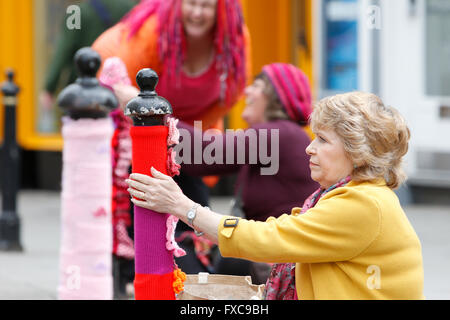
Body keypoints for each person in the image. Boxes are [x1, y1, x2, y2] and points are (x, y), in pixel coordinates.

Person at [126, 91, 425, 300]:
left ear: (357, 151)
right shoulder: (352, 195)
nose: (310, 148)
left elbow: (271, 238)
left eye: (322, 140)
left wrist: (182, 206)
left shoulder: (364, 204)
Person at [92, 0, 252, 274]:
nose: (198, 13)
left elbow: (231, 93)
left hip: (184, 136)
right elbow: (119, 91)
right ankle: (133, 272)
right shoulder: (151, 33)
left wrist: (192, 134)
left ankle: (191, 268)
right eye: (191, 4)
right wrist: (145, 114)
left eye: (207, 6)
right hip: (135, 130)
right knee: (140, 210)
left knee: (194, 211)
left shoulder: (234, 37)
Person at [175, 63, 319, 282]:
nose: (247, 91)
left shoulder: (280, 133)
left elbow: (201, 153)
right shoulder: (282, 135)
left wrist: (151, 113)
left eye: (257, 85)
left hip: (280, 261)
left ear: (276, 98)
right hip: (274, 254)